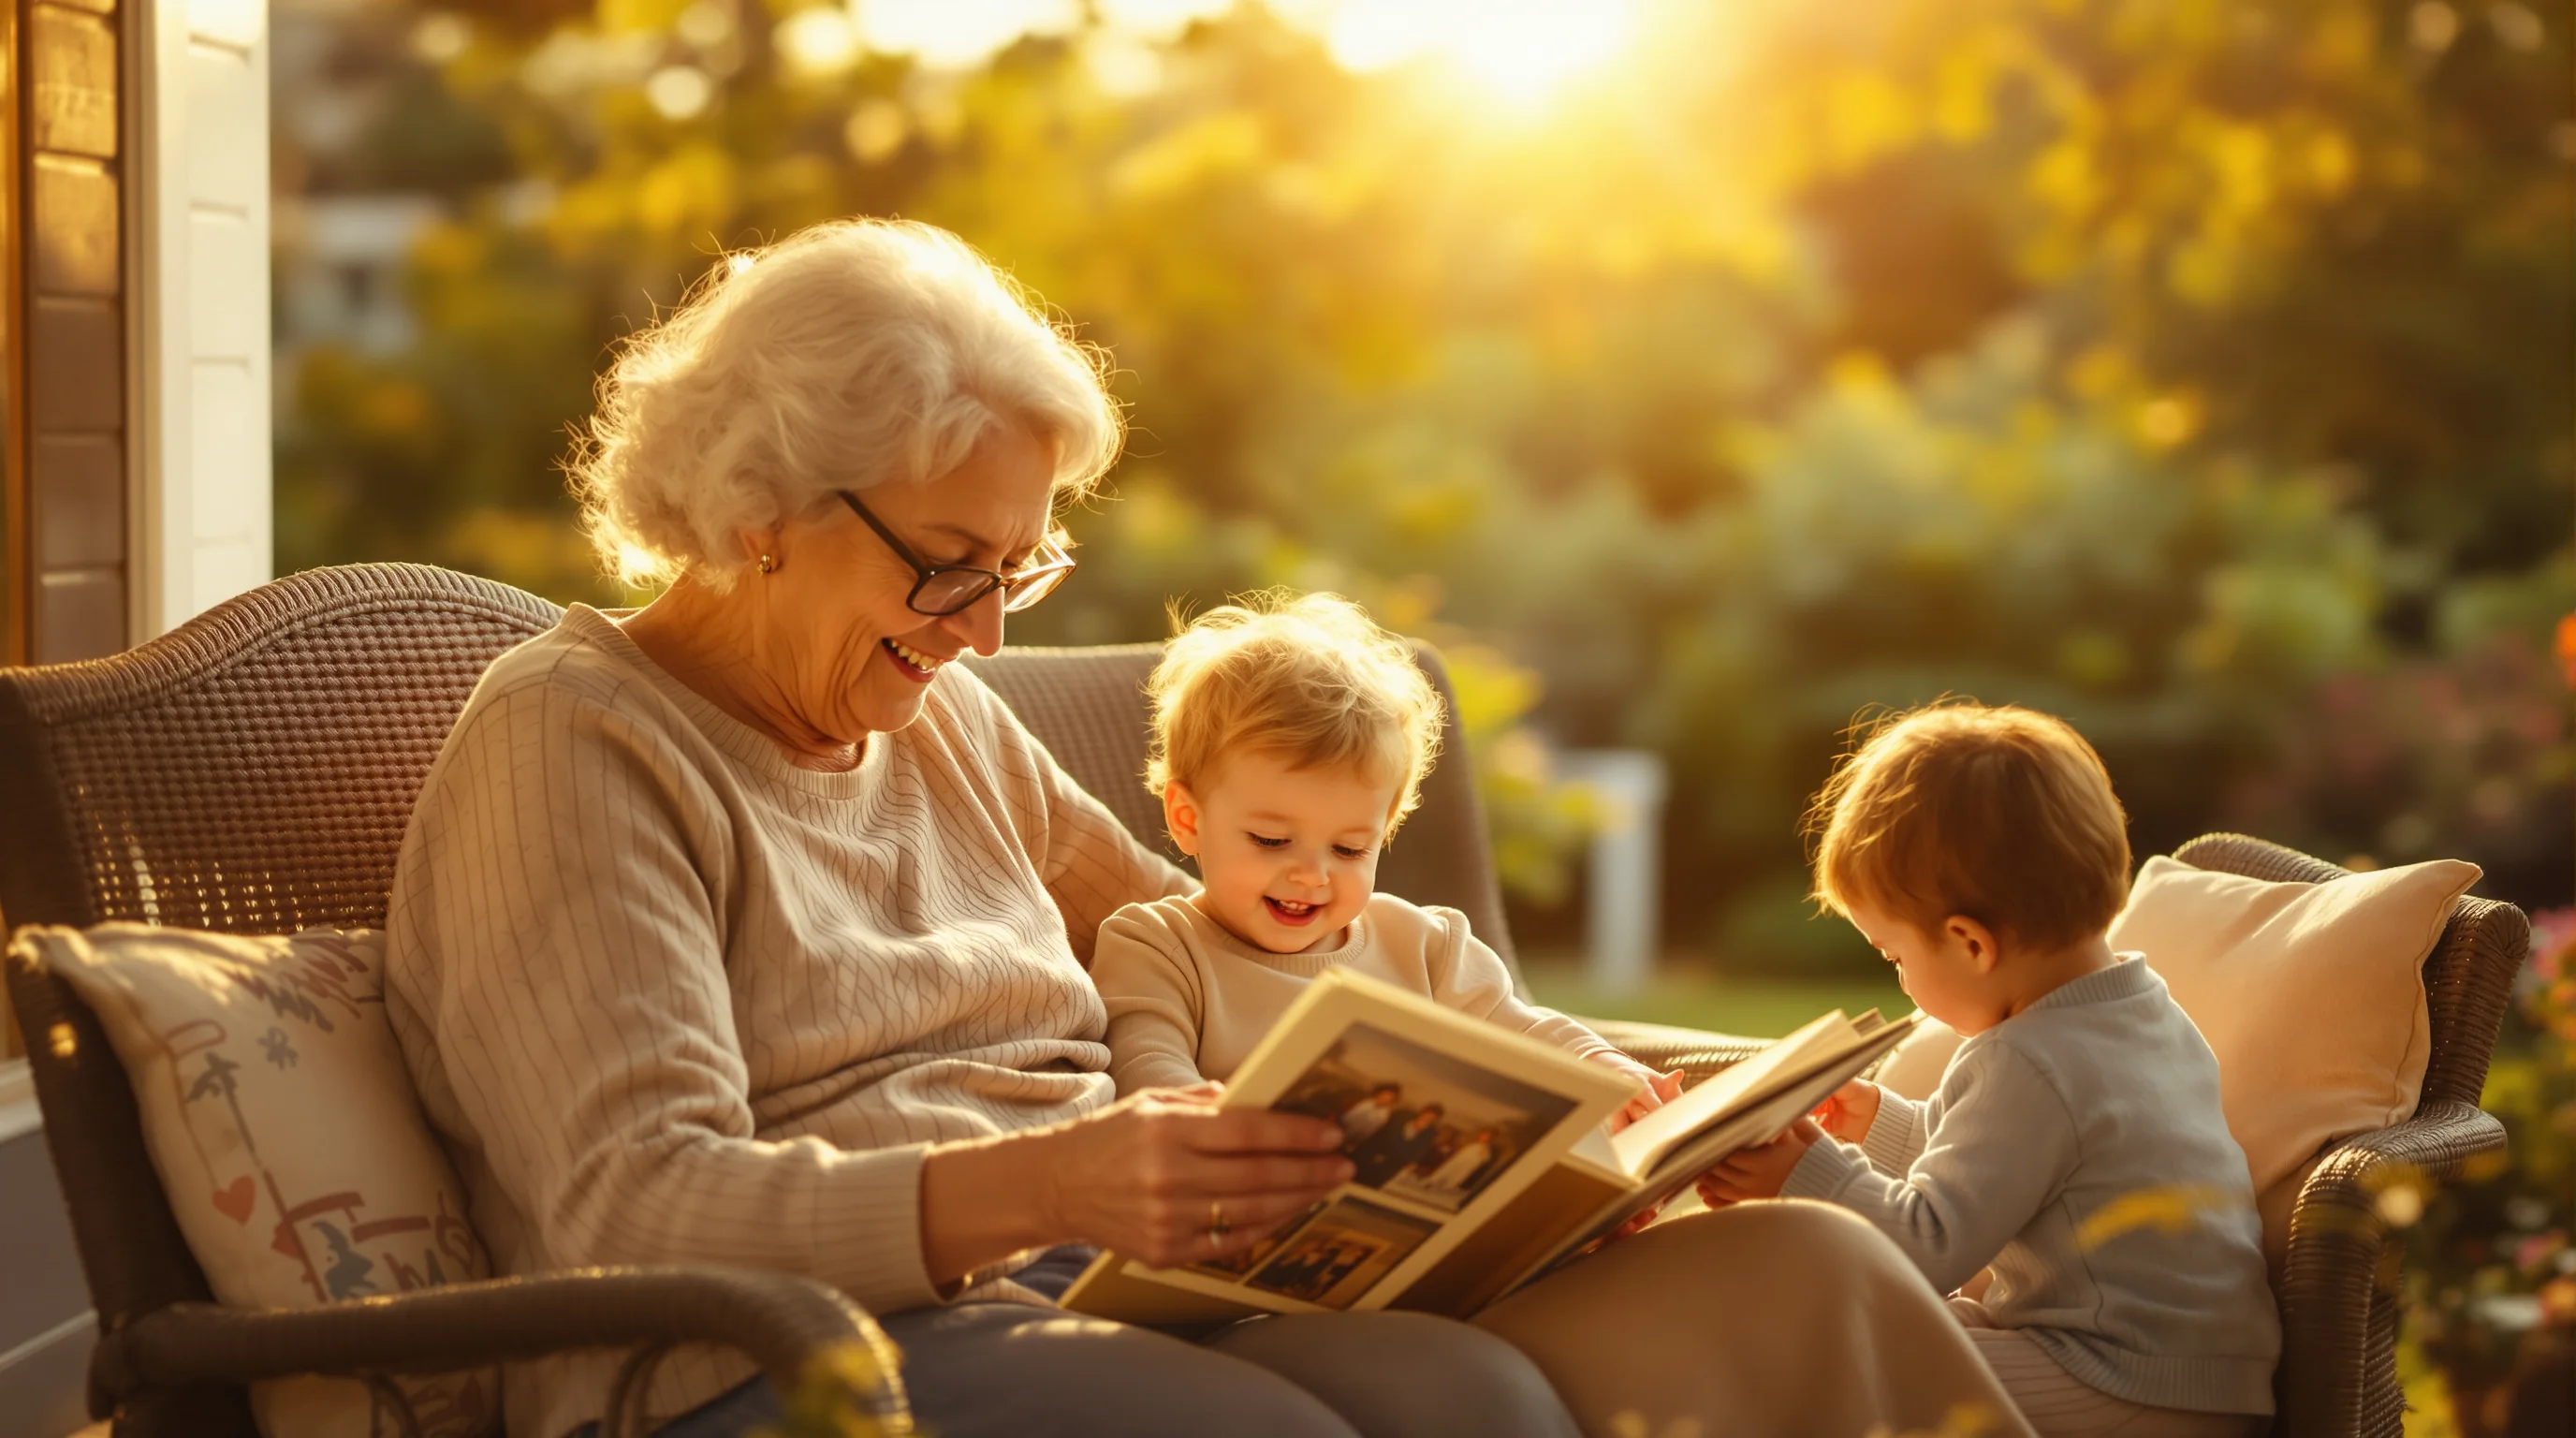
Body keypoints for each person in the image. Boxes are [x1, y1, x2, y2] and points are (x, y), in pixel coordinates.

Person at [387, 215, 2039, 1438]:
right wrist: (1061, 1180)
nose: (986, 637)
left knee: (1782, 1280)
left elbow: (1221, 937)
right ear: (758, 510)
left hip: (1097, 1274)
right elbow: (630, 1205)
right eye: (948, 561)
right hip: (771, 1357)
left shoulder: (935, 712)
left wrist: (1578, 1124)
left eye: (1018, 568)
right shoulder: (577, 746)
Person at [1697, 703, 2280, 1438]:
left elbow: (1929, 1250)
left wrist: (1806, 1171)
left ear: (1971, 944)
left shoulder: (2029, 1061)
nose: (1898, 977)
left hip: (2124, 1380)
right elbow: (1996, 1170)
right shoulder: (2141, 1010)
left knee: (1838, 1359)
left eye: (1894, 957)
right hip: (2202, 1378)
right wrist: (1880, 1124)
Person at [1090, 592, 1678, 1129]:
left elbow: (1525, 1031)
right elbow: (1149, 1071)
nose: (1312, 875)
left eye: (1349, 849)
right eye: (1271, 840)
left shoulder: (1425, 947)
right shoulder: (1157, 948)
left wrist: (1599, 1065)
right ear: (1189, 820)